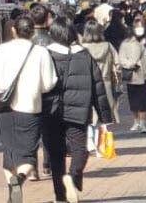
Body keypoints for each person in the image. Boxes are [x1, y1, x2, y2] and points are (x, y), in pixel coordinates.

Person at [0, 16, 57, 203]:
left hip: (4, 109)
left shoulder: (1, 50)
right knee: (28, 154)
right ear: (32, 32)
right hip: (30, 108)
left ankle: (12, 193)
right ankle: (21, 179)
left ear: (14, 31)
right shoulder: (40, 52)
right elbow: (49, 83)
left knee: (9, 152)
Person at [44, 17, 112, 203]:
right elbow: (98, 86)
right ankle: (73, 178)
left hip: (50, 111)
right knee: (80, 149)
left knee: (56, 153)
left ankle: (60, 195)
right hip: (79, 110)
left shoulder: (46, 55)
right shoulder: (85, 56)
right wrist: (105, 115)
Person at [118, 18, 146, 134]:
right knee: (133, 102)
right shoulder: (127, 43)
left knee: (144, 102)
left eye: (141, 27)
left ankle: (143, 124)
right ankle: (136, 121)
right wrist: (130, 64)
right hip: (132, 75)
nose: (139, 29)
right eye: (137, 27)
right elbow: (121, 58)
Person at [29, 3, 53, 181]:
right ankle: (47, 165)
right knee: (48, 132)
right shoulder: (53, 41)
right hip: (50, 92)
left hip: (28, 92)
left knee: (31, 132)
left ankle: (32, 169)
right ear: (47, 19)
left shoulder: (25, 40)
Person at [81, 20, 120, 124]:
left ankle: (91, 137)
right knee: (106, 112)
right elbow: (118, 64)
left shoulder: (82, 48)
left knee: (90, 114)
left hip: (87, 82)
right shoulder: (108, 46)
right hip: (105, 81)